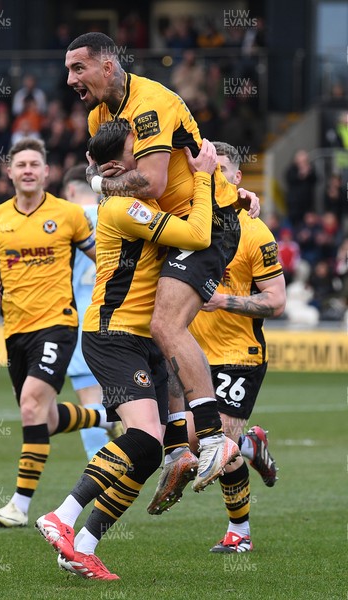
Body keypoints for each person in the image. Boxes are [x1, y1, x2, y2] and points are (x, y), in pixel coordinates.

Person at [64, 32, 260, 492]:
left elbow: (147, 183)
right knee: (160, 331)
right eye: (69, 69)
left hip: (209, 221)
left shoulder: (151, 103)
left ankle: (213, 438)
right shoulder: (100, 112)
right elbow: (98, 165)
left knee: (164, 326)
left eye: (78, 68)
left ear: (108, 66)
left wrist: (100, 185)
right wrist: (102, 178)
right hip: (177, 225)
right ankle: (177, 443)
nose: (70, 78)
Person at [35, 120, 221, 580]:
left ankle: (83, 544)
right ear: (121, 164)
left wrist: (236, 198)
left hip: (142, 340)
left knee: (149, 451)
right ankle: (59, 515)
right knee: (141, 438)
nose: (155, 157)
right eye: (144, 149)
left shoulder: (142, 201)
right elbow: (198, 236)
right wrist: (202, 177)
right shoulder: (122, 208)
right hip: (113, 334)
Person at [0, 138, 116, 528]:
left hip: (58, 324)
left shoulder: (68, 215)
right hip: (15, 331)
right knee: (41, 419)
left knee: (31, 405)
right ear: (10, 172)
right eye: (22, 164)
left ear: (46, 172)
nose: (28, 170)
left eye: (35, 163)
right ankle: (103, 416)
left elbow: (100, 255)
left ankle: (19, 505)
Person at [147, 142, 286, 554]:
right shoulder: (190, 221)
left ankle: (239, 534)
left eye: (225, 171)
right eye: (211, 172)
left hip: (237, 356)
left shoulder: (255, 230)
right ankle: (250, 444)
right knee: (193, 441)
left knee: (202, 443)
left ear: (238, 180)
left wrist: (222, 300)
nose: (217, 178)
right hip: (190, 354)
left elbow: (277, 301)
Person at [62, 164, 120, 459]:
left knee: (91, 402)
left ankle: (104, 478)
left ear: (70, 190)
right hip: (121, 314)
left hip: (82, 317)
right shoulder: (115, 213)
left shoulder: (66, 219)